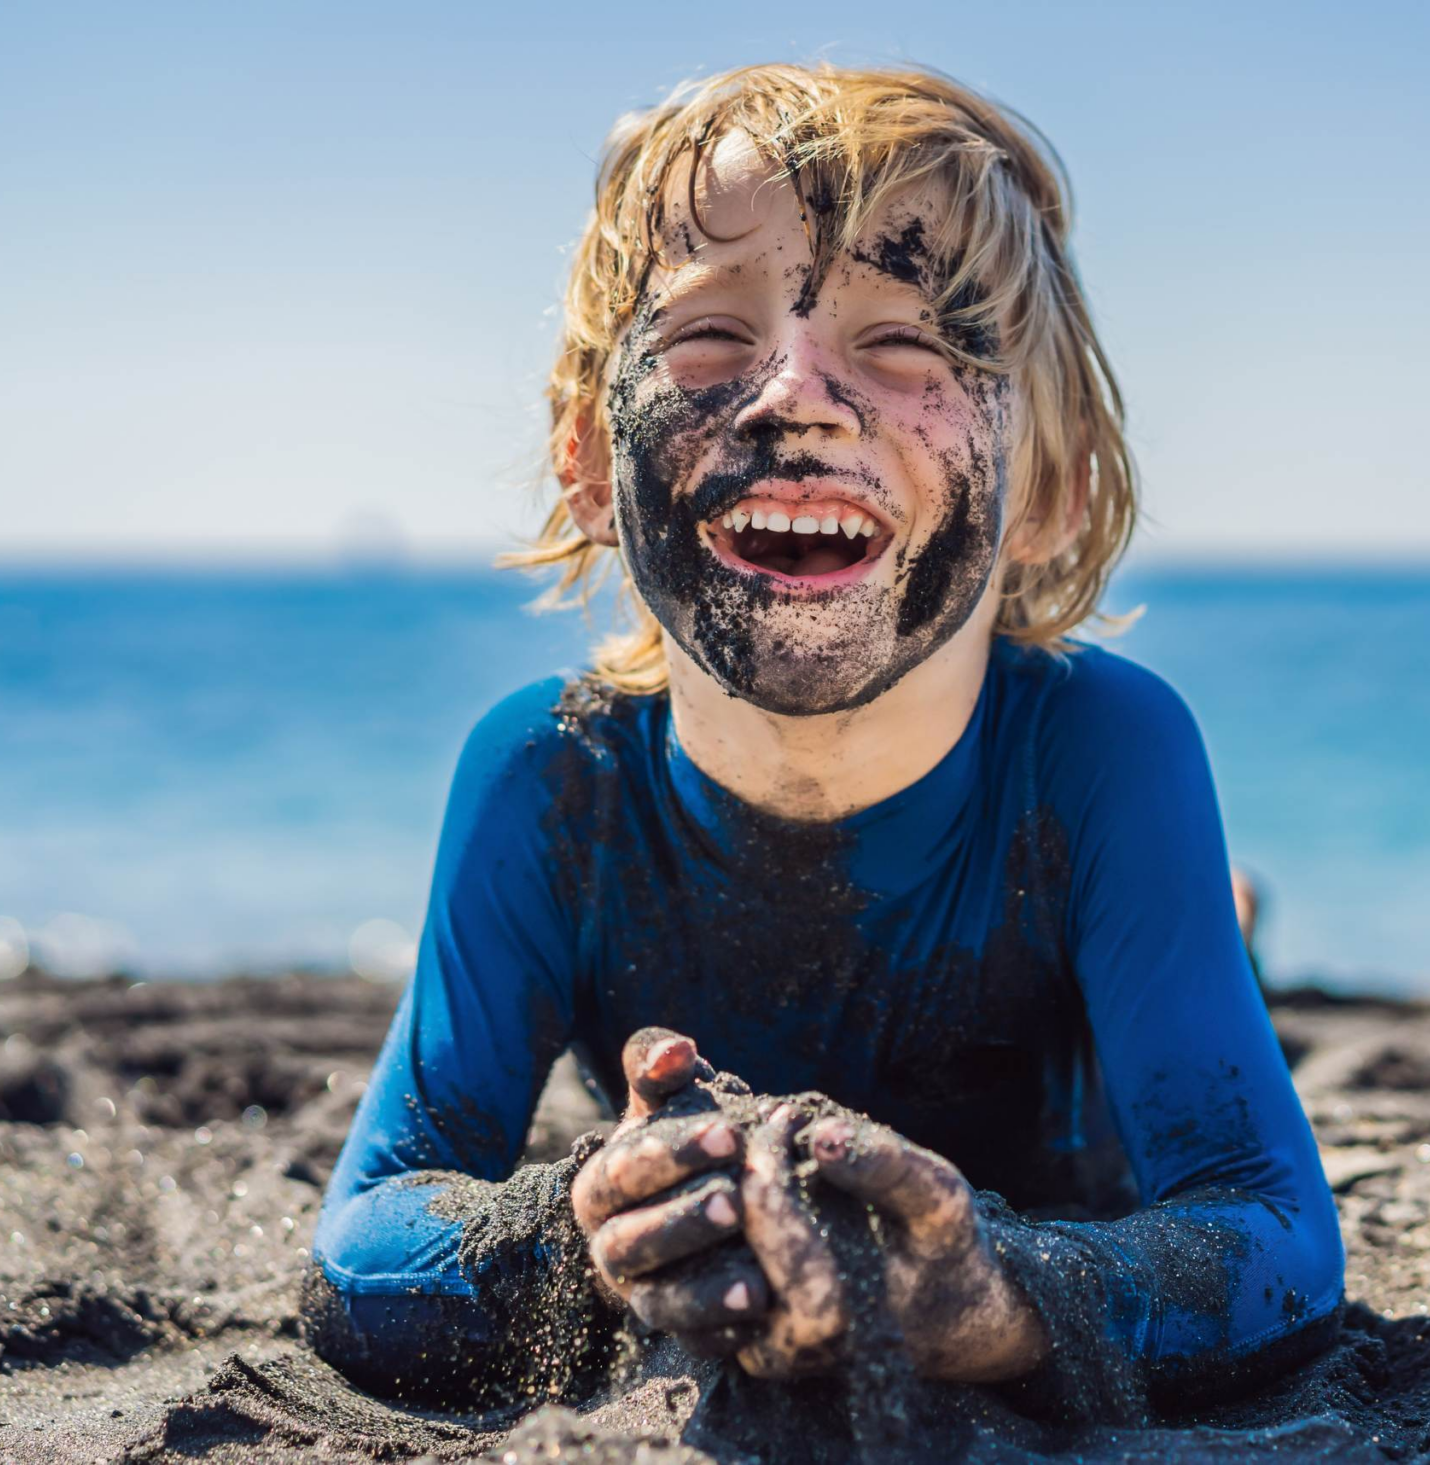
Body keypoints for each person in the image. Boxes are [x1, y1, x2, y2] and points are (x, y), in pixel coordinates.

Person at [302, 62, 1342, 1415]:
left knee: (1202, 965)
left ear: (1050, 485)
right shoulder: (552, 781)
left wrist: (988, 1294)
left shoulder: (1099, 758)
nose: (795, 396)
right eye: (708, 341)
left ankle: (1224, 920)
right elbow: (363, 1235)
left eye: (907, 343)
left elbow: (1277, 1241)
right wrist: (578, 1241)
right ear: (585, 457)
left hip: (1066, 1119)